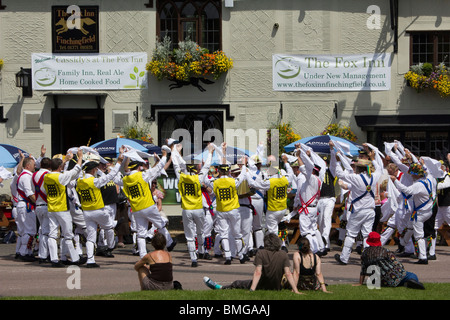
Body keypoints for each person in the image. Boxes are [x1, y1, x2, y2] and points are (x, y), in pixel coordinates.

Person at [330, 141, 383, 265]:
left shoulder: (356, 178)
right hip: (370, 210)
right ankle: (368, 259)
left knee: (351, 234)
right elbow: (380, 168)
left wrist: (338, 161)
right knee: (366, 235)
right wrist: (373, 158)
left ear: (359, 168)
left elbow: (339, 174)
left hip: (358, 210)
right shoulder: (374, 177)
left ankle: (344, 258)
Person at [120, 148, 176, 258]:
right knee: (160, 224)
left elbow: (123, 170)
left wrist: (125, 156)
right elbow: (158, 168)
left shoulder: (126, 179)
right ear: (139, 167)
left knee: (141, 234)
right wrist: (164, 155)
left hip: (136, 209)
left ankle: (143, 255)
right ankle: (169, 243)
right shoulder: (142, 175)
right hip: (148, 206)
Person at [203, 233, 301, 294]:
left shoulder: (261, 253)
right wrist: (295, 290)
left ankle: (220, 288)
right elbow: (288, 273)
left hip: (262, 284)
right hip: (277, 286)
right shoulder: (283, 254)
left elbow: (258, 272)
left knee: (237, 283)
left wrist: (252, 289)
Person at [75, 150, 124, 268]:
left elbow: (76, 173)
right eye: (96, 169)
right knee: (109, 227)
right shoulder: (95, 181)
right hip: (99, 210)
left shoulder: (80, 181)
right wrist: (118, 162)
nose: (97, 170)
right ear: (93, 170)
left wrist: (80, 158)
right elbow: (111, 176)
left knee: (91, 237)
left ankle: (90, 260)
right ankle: (111, 245)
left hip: (86, 212)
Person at [43, 149, 87, 267]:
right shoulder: (60, 177)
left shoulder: (46, 177)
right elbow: (75, 170)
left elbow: (58, 169)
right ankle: (74, 258)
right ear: (59, 167)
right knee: (68, 235)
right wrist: (80, 157)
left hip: (51, 208)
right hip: (62, 208)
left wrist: (65, 160)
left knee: (52, 235)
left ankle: (54, 259)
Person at [172, 143, 214, 267]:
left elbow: (175, 165)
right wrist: (210, 152)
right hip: (198, 209)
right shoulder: (199, 178)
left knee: (190, 236)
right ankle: (201, 251)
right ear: (195, 169)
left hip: (187, 209)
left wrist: (174, 151)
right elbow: (206, 166)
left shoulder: (181, 177)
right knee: (200, 232)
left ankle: (193, 258)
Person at [390, 162, 437, 264]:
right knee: (410, 226)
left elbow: (407, 190)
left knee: (418, 235)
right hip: (427, 211)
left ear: (416, 174)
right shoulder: (428, 180)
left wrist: (395, 181)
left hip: (420, 213)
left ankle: (423, 257)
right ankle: (402, 243)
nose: (411, 175)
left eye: (412, 173)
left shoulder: (418, 184)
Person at [353, 231, 425, 289]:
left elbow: (363, 269)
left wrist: (360, 283)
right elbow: (395, 262)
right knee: (411, 275)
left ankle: (407, 282)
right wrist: (402, 270)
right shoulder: (385, 251)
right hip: (394, 277)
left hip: (380, 281)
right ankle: (411, 281)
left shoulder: (364, 253)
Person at [16, 156, 37, 261]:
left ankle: (27, 252)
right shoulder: (26, 177)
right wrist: (37, 202)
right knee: (30, 230)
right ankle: (24, 252)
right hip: (26, 205)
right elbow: (29, 193)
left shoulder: (23, 175)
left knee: (27, 230)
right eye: (33, 165)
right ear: (28, 166)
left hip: (23, 205)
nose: (35, 166)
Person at [32, 156, 52, 264]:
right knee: (46, 232)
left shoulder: (34, 175)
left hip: (38, 205)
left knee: (42, 230)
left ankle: (44, 253)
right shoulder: (48, 175)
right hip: (46, 205)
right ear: (50, 166)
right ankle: (44, 255)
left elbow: (33, 189)